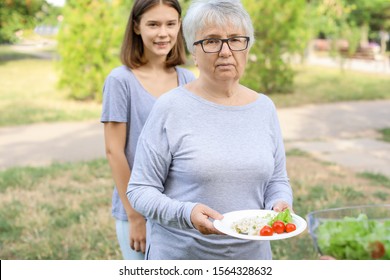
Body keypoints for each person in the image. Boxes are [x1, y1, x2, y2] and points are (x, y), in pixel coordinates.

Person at [126, 0, 293, 260]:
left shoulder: (264, 108)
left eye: (236, 39)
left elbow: (277, 181)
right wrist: (186, 214)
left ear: (247, 47)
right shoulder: (170, 107)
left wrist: (280, 204)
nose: (226, 51)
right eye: (212, 41)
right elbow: (139, 190)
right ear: (194, 50)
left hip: (252, 261)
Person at [101, 0, 195, 260]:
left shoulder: (188, 80)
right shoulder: (121, 81)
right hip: (138, 213)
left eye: (170, 24)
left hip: (178, 212)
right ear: (136, 27)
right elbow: (114, 151)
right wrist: (135, 216)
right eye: (153, 24)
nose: (163, 33)